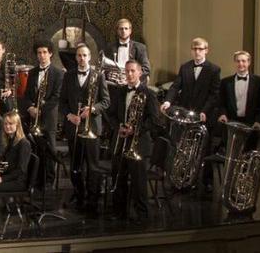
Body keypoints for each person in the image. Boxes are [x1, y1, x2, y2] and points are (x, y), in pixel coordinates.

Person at [60, 43, 110, 213]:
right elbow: (62, 101)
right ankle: (80, 196)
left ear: (90, 57)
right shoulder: (68, 76)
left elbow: (106, 101)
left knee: (93, 167)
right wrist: (69, 116)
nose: (82, 58)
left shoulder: (99, 76)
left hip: (92, 129)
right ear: (76, 58)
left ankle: (93, 200)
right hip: (74, 127)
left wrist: (93, 109)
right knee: (75, 166)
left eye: (85, 55)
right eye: (79, 55)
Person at [109, 60, 159, 224]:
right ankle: (119, 212)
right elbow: (111, 115)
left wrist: (135, 129)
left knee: (139, 182)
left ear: (139, 73)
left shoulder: (149, 93)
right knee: (119, 178)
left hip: (139, 144)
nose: (129, 74)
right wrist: (119, 127)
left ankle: (142, 215)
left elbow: (154, 120)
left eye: (132, 71)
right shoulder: (120, 91)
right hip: (121, 140)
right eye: (127, 71)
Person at [20, 41, 63, 185]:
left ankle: (48, 180)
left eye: (45, 52)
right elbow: (26, 95)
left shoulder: (58, 73)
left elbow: (57, 97)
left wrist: (40, 110)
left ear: (50, 53)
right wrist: (30, 108)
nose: (42, 55)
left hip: (48, 117)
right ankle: (36, 178)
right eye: (39, 53)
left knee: (49, 149)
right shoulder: (32, 72)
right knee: (35, 148)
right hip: (33, 117)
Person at [161, 37, 222, 124]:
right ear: (191, 50)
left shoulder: (214, 70)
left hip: (203, 113)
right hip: (184, 111)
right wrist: (167, 101)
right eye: (194, 49)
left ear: (206, 51)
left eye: (200, 49)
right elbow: (175, 87)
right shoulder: (185, 67)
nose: (197, 52)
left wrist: (205, 111)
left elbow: (214, 95)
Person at [218, 50, 260, 150]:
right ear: (235, 62)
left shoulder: (258, 81)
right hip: (231, 124)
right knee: (230, 154)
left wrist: (258, 121)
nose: (241, 64)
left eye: (244, 61)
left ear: (249, 62)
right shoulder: (225, 82)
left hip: (251, 124)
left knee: (248, 155)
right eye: (238, 61)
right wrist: (222, 114)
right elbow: (221, 102)